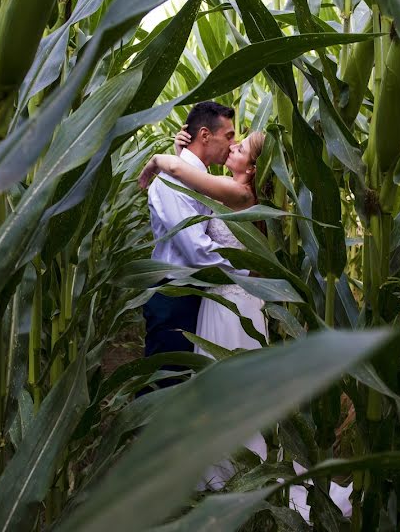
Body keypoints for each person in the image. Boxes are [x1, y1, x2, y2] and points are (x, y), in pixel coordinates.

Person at [140, 125, 354, 522]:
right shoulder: (229, 187)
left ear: (254, 168)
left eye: (239, 147)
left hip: (232, 300)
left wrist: (162, 159)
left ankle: (234, 467)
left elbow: (188, 178)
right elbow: (194, 181)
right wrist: (181, 152)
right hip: (228, 299)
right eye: (232, 140)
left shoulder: (241, 195)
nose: (232, 147)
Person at [140, 101, 247, 388]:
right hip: (174, 296)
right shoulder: (171, 185)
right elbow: (197, 251)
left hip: (195, 292)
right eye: (229, 136)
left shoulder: (198, 177)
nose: (232, 144)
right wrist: (247, 274)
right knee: (167, 382)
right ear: (204, 135)